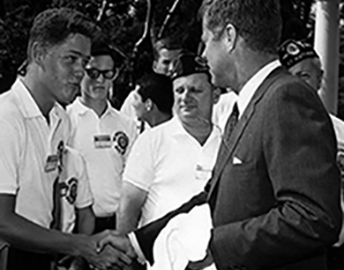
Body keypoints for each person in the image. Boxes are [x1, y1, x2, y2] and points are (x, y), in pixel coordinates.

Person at [99, 1, 343, 270]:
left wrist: (216, 247)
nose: (203, 54)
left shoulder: (285, 98)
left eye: (205, 42)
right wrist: (138, 243)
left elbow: (313, 216)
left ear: (229, 37)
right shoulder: (245, 107)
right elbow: (211, 199)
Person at [0, 8, 132, 270]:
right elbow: (2, 221)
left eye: (84, 62)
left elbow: (52, 198)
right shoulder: (6, 117)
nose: (79, 72)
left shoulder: (59, 117)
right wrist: (79, 245)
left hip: (42, 252)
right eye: (70, 59)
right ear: (38, 53)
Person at [117, 53, 222, 236]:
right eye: (179, 91)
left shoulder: (228, 143)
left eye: (195, 90)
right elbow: (128, 206)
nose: (186, 97)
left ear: (215, 96)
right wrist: (126, 255)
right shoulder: (151, 141)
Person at [278, 38, 344, 270]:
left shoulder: (341, 132)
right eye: (290, 76)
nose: (297, 84)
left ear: (320, 78)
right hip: (288, 250)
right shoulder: (269, 130)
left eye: (305, 76)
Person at [67, 38, 138, 234]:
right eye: (93, 73)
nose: (100, 81)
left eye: (108, 74)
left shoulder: (126, 124)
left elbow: (133, 179)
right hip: (75, 225)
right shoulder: (65, 120)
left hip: (118, 224)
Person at [120, 37, 183, 132]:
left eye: (176, 62)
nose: (171, 68)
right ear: (155, 66)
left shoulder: (188, 98)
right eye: (166, 62)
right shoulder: (136, 98)